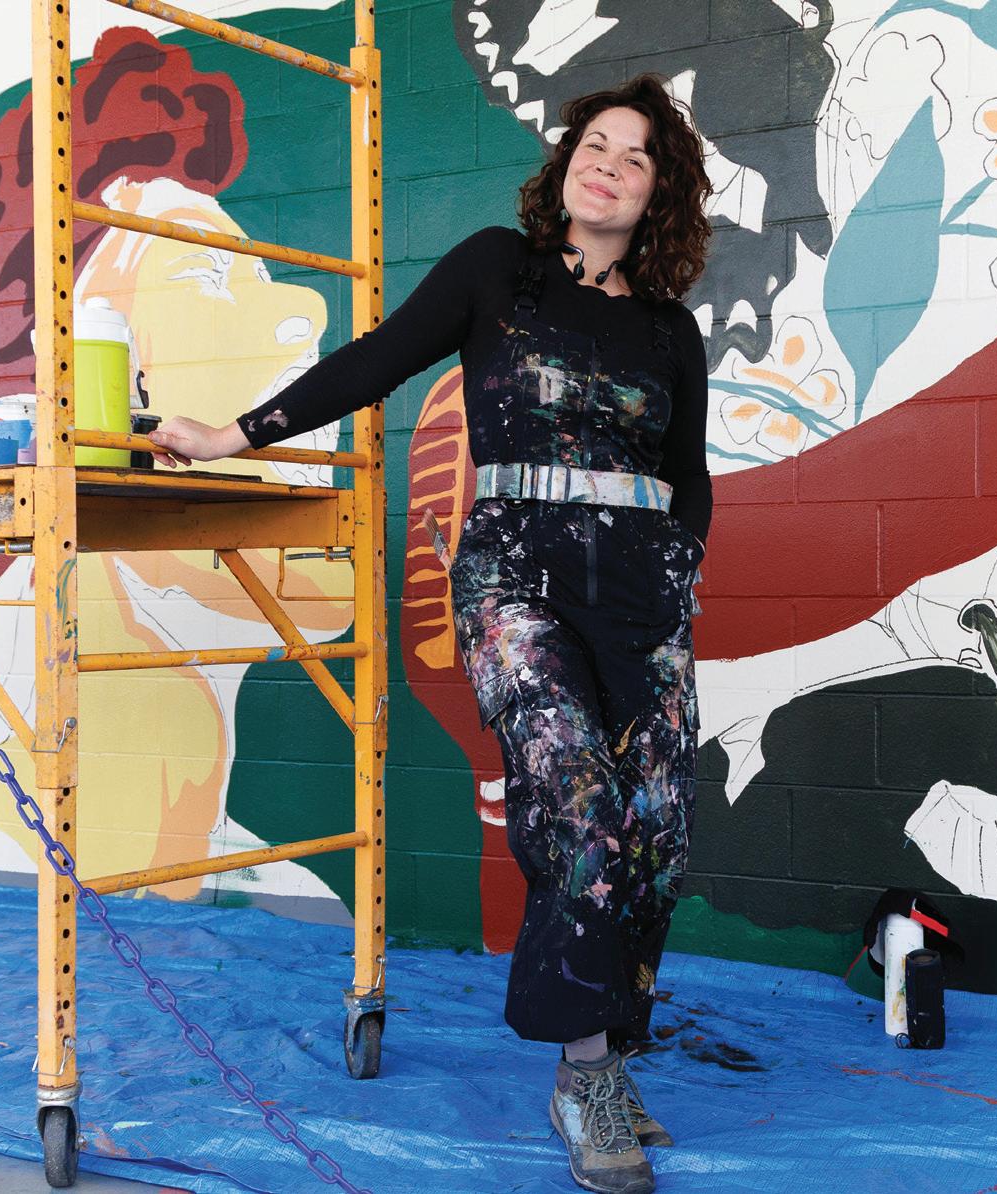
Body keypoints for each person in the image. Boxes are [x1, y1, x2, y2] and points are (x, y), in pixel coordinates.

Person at [150, 73, 713, 1194]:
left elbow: (687, 472)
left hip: (641, 588)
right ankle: (584, 1076)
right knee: (577, 804)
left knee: (655, 832)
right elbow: (376, 358)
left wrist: (679, 568)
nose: (606, 164)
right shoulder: (495, 268)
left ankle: (611, 1049)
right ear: (565, 163)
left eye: (635, 155)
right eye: (594, 143)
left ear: (660, 193)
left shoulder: (667, 330)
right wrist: (234, 435)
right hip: (516, 576)